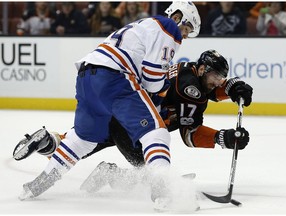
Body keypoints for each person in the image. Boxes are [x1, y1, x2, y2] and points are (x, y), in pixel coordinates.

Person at [15, 1, 201, 209]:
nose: (184, 36)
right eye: (187, 29)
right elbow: (152, 79)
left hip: (87, 77)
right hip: (114, 78)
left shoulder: (143, 25)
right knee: (156, 131)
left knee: (82, 140)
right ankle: (163, 193)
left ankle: (35, 185)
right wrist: (164, 87)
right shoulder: (168, 26)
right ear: (178, 17)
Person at [14, 50, 252, 194]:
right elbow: (197, 98)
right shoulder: (189, 83)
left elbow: (190, 133)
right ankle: (108, 175)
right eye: (215, 77)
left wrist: (223, 136)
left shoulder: (192, 85)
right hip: (133, 124)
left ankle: (47, 141)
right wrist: (228, 90)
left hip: (118, 118)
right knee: (151, 168)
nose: (218, 81)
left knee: (73, 148)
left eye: (221, 78)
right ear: (201, 69)